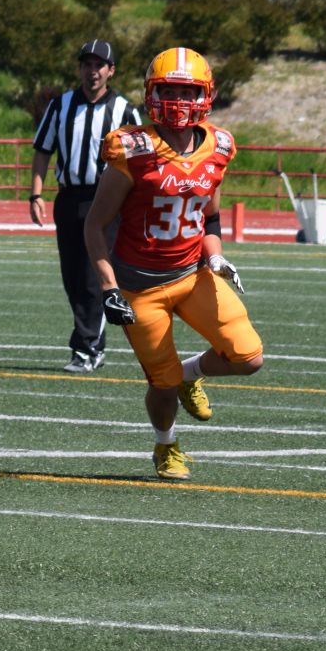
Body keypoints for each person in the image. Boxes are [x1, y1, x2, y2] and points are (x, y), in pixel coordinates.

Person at [83, 47, 263, 481]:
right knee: (160, 385)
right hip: (140, 288)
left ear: (206, 95)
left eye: (188, 91)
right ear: (152, 93)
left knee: (248, 356)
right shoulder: (132, 149)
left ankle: (190, 374)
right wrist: (108, 288)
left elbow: (210, 218)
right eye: (169, 90)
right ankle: (166, 445)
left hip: (192, 275)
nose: (179, 101)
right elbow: (95, 225)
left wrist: (216, 257)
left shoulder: (218, 146)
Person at [28, 37, 141, 374]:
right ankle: (88, 344)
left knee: (95, 277)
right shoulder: (60, 106)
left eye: (99, 65)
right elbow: (43, 150)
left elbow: (141, 162)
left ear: (111, 70)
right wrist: (36, 194)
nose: (93, 71)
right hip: (69, 199)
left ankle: (88, 348)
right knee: (73, 277)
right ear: (80, 68)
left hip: (106, 200)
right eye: (87, 64)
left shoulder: (124, 111)